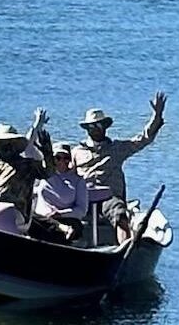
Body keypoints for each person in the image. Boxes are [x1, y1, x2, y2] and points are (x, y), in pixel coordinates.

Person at [70, 93, 167, 239]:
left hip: (109, 198)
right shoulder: (77, 151)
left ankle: (124, 248)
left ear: (105, 127)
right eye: (91, 126)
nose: (95, 129)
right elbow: (65, 174)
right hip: (83, 198)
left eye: (98, 125)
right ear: (86, 129)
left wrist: (157, 116)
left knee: (120, 213)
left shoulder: (117, 148)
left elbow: (143, 139)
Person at [31, 142, 90, 243]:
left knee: (62, 231)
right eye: (58, 157)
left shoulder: (78, 181)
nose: (62, 161)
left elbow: (81, 210)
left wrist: (60, 214)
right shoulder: (43, 176)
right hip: (42, 219)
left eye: (66, 158)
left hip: (67, 219)